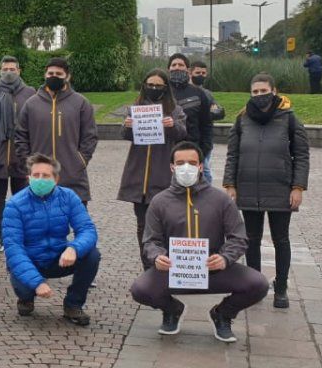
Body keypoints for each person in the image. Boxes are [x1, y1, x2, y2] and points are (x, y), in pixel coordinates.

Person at [130, 142, 269, 343]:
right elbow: (150, 240)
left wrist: (224, 258)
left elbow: (239, 237)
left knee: (258, 284)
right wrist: (157, 256)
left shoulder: (221, 200)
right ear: (172, 167)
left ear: (201, 166)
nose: (186, 167)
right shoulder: (159, 202)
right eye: (180, 163)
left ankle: (223, 314)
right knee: (140, 289)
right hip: (174, 270)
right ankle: (172, 310)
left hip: (214, 270)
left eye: (192, 162)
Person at [223, 74, 310, 309]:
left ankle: (281, 287)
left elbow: (301, 155)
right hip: (248, 188)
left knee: (281, 239)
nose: (260, 96)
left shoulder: (289, 119)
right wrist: (230, 185)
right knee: (251, 240)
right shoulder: (241, 120)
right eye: (255, 92)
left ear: (274, 90)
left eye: (264, 91)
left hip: (280, 188)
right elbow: (233, 155)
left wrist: (298, 187)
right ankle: (254, 285)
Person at [3, 154, 100, 326]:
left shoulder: (69, 197)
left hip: (58, 258)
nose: (40, 179)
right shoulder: (15, 205)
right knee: (25, 289)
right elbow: (13, 248)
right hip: (30, 260)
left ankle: (73, 304)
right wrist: (37, 282)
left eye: (46, 176)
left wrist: (74, 248)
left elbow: (87, 229)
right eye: (36, 175)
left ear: (56, 179)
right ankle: (26, 298)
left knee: (92, 255)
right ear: (29, 178)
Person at [117, 69, 187, 269]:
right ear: (144, 86)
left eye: (158, 85)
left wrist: (172, 125)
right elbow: (125, 135)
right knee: (143, 226)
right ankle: (148, 267)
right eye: (150, 85)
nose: (154, 89)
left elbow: (182, 133)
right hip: (139, 178)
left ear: (165, 88)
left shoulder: (175, 109)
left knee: (166, 226)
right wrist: (127, 126)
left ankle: (166, 266)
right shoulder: (136, 107)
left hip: (163, 175)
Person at [15, 57, 98, 203]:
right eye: (50, 73)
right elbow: (21, 136)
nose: (54, 77)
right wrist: (29, 162)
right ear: (45, 75)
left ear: (67, 76)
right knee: (41, 223)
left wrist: (80, 161)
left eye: (58, 74)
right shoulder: (31, 104)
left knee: (77, 222)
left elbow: (90, 136)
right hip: (40, 179)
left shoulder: (81, 103)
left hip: (73, 177)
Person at [0, 55, 34, 253]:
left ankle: (21, 234)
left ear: (19, 71)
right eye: (5, 68)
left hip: (20, 155)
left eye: (12, 68)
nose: (9, 72)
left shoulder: (30, 93)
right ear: (0, 70)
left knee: (22, 198)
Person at [167, 54, 215, 183]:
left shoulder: (198, 93)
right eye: (174, 65)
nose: (177, 68)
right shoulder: (162, 92)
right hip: (166, 152)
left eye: (181, 65)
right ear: (168, 69)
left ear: (187, 70)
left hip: (194, 149)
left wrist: (204, 150)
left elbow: (207, 124)